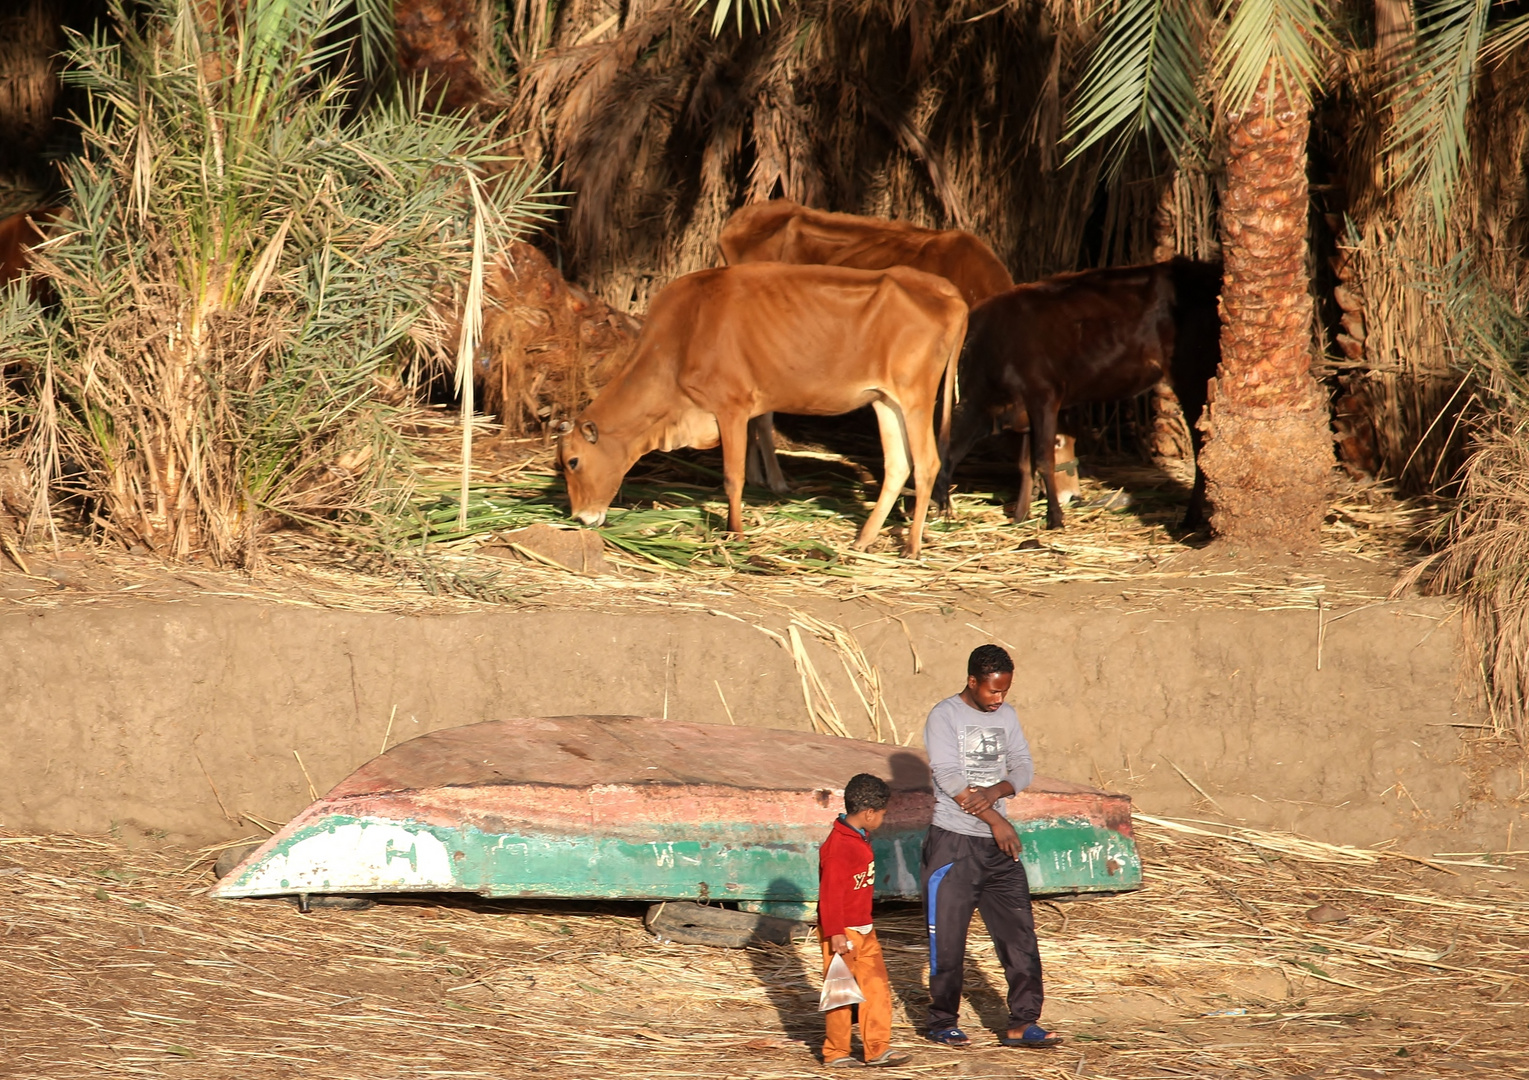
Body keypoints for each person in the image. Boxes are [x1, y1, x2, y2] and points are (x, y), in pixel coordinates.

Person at [919, 643, 1062, 1050]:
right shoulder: (944, 715)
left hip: (997, 849)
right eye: (992, 691)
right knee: (947, 939)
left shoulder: (1008, 716)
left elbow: (1023, 766)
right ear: (972, 681)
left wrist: (998, 790)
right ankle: (942, 1021)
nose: (999, 699)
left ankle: (1023, 1021)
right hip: (953, 842)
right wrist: (997, 818)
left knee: (1020, 936)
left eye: (1005, 691)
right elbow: (948, 776)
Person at [817, 772, 913, 1068]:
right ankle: (836, 1052)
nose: (883, 819)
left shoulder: (858, 838)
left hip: (864, 930)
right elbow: (830, 895)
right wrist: (835, 933)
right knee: (840, 992)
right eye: (882, 814)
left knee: (876, 988)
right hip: (842, 933)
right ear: (869, 813)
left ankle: (877, 1049)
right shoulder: (838, 848)